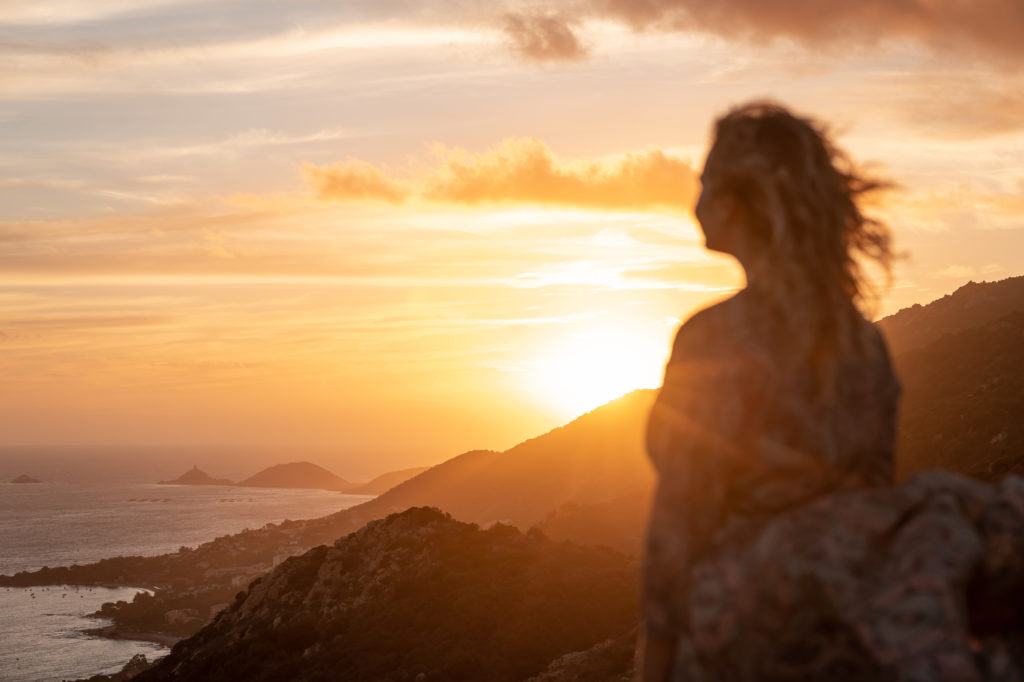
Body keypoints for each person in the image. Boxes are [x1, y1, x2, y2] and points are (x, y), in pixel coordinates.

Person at [642, 102, 1024, 681]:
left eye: (704, 178)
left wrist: (659, 656)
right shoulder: (862, 340)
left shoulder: (712, 338)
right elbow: (872, 484)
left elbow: (680, 514)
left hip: (749, 621)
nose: (695, 196)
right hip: (850, 610)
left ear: (740, 200)